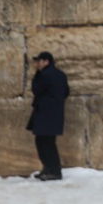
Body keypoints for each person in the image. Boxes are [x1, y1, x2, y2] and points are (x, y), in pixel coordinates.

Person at [26, 51, 69, 181]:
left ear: (46, 62)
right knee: (48, 142)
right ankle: (50, 169)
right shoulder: (61, 75)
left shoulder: (43, 75)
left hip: (44, 113)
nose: (37, 64)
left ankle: (53, 171)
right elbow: (66, 92)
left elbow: (36, 90)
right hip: (55, 113)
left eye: (39, 61)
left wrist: (37, 75)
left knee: (44, 143)